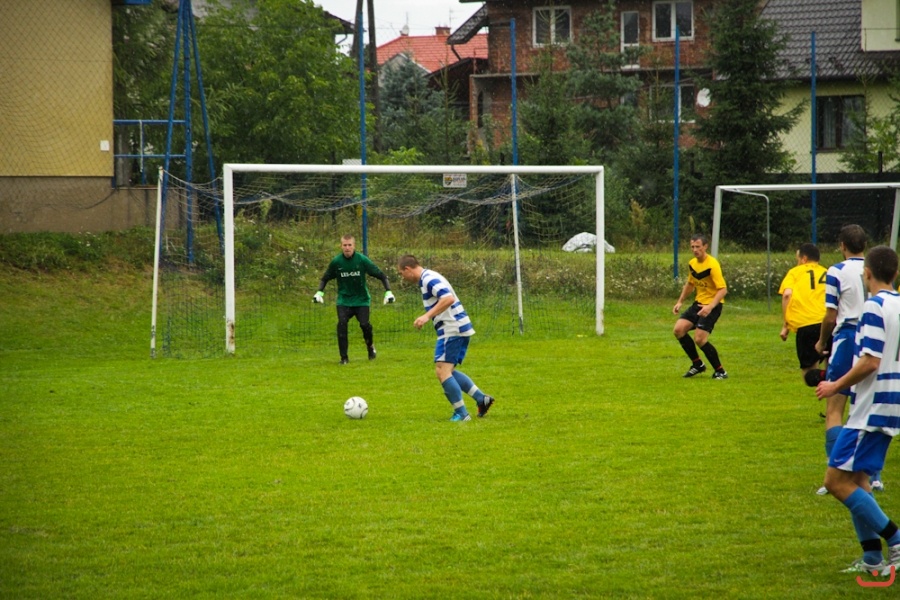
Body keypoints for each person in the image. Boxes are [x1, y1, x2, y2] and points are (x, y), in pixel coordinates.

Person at [815, 245, 900, 575]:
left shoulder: (874, 307)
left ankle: (896, 541)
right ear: (895, 273)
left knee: (836, 481)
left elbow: (870, 361)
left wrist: (835, 385)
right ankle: (872, 558)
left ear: (867, 273)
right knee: (858, 479)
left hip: (872, 406)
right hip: (889, 400)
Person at [813, 225, 876, 494]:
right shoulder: (875, 268)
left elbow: (830, 315)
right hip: (874, 335)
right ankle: (872, 475)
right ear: (865, 245)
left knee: (835, 408)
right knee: (866, 407)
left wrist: (821, 341)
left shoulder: (836, 271)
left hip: (848, 336)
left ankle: (837, 472)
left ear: (842, 245)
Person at [397, 254, 494, 422]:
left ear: (408, 269)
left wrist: (426, 316)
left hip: (452, 328)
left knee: (442, 370)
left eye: (401, 273)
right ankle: (481, 399)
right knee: (448, 371)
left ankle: (461, 414)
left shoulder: (428, 279)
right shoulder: (427, 278)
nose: (402, 277)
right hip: (456, 327)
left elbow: (448, 298)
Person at [313, 234, 395, 364]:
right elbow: (325, 278)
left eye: (349, 245)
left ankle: (370, 347)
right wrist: (319, 292)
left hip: (361, 300)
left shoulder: (362, 260)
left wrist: (388, 291)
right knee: (342, 324)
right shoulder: (336, 262)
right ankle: (344, 358)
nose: (347, 248)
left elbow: (381, 275)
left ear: (354, 246)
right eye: (345, 245)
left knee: (364, 325)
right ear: (341, 246)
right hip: (344, 300)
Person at [673, 233, 729, 380]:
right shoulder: (692, 263)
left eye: (698, 246)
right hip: (698, 304)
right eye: (692, 247)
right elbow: (690, 283)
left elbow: (723, 289)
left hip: (712, 306)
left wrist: (710, 307)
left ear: (705, 246)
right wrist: (680, 301)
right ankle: (697, 364)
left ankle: (720, 371)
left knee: (699, 339)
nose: (695, 250)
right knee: (679, 330)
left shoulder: (712, 264)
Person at [778, 243, 827, 383]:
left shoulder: (795, 272)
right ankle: (836, 378)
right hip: (828, 323)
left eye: (798, 259)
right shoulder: (828, 272)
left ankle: (833, 378)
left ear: (804, 259)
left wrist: (786, 325)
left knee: (809, 376)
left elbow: (787, 295)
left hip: (806, 325)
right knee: (831, 364)